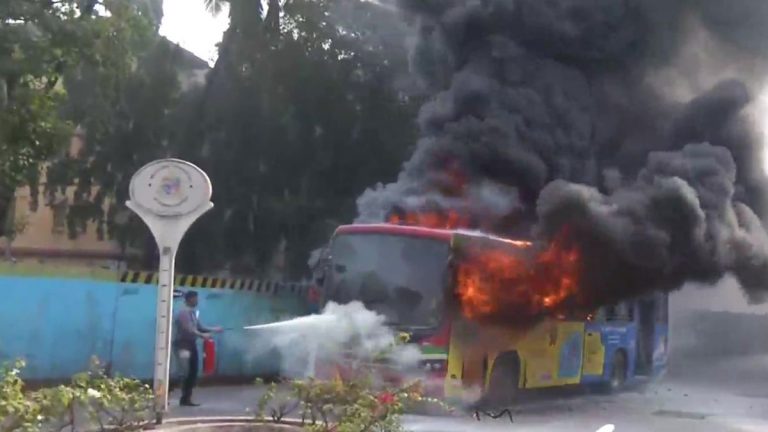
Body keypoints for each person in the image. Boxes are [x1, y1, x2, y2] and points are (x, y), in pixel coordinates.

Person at [173, 290, 222, 407]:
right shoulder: (183, 313)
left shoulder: (193, 313)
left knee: (193, 372)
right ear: (189, 299)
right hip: (182, 346)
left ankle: (186, 398)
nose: (197, 301)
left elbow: (200, 327)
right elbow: (188, 329)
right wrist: (202, 335)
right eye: (195, 298)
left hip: (191, 345)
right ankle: (169, 393)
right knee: (185, 372)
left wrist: (214, 329)